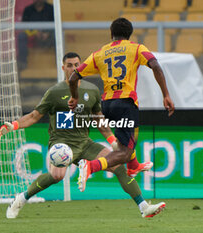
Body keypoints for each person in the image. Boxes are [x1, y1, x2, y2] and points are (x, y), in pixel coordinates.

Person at [0, 52, 166, 219]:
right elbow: (34, 116)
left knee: (119, 166)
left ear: (82, 67)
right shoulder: (54, 92)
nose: (73, 68)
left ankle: (144, 207)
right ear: (63, 68)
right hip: (61, 144)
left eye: (77, 65)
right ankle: (21, 199)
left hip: (85, 144)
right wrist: (13, 125)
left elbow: (99, 119)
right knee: (57, 176)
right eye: (69, 65)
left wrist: (112, 141)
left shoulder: (91, 90)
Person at [68, 18, 175, 192]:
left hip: (107, 105)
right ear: (130, 34)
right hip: (126, 103)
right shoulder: (137, 48)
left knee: (125, 143)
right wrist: (166, 94)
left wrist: (74, 97)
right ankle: (91, 167)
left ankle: (134, 167)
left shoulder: (100, 53)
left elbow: (74, 77)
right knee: (124, 151)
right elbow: (155, 65)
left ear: (111, 34)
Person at [17, 0, 54, 71]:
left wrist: (47, 33)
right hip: (33, 37)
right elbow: (24, 27)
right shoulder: (28, 9)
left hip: (48, 38)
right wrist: (35, 32)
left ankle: (59, 63)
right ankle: (22, 63)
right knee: (21, 36)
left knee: (59, 36)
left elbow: (56, 25)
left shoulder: (51, 8)